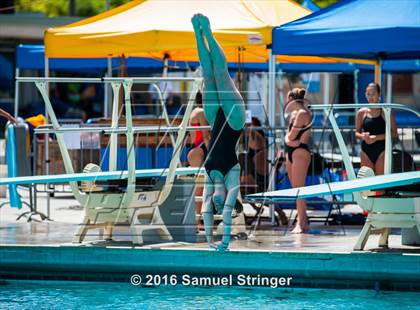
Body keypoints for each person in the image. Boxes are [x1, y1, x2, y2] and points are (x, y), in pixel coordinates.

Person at [192, 13, 245, 251]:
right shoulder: (232, 174)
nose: (218, 201)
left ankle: (197, 31)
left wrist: (210, 241)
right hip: (233, 121)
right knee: (221, 74)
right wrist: (223, 241)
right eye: (222, 203)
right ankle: (208, 33)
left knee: (208, 74)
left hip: (215, 120)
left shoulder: (210, 177)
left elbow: (205, 210)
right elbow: (224, 209)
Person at [284, 88, 312, 234]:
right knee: (295, 190)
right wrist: (288, 139)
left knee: (299, 190)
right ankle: (303, 220)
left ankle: (301, 223)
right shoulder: (294, 114)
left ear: (292, 99)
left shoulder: (302, 113)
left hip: (300, 152)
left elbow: (292, 136)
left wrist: (288, 139)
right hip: (291, 152)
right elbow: (289, 138)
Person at [355, 83, 397, 175]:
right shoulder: (361, 112)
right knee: (367, 185)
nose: (370, 97)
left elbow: (394, 133)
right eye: (368, 94)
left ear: (379, 94)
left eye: (373, 94)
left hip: (382, 151)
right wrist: (363, 136)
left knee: (380, 184)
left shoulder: (386, 112)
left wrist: (376, 138)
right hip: (366, 151)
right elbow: (356, 132)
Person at [187, 90, 210, 229]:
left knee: (201, 188)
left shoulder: (196, 111)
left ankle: (197, 220)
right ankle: (195, 221)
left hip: (197, 150)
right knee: (199, 189)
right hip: (199, 151)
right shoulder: (200, 112)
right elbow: (206, 137)